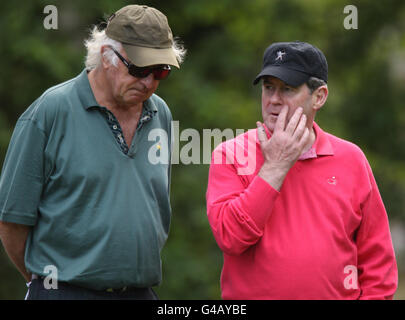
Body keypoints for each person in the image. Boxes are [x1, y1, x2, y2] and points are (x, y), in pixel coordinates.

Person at [0, 4, 185, 300]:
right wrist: (49, 285)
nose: (149, 82)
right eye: (139, 69)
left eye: (160, 71)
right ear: (106, 56)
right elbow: (12, 220)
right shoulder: (51, 111)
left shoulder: (160, 113)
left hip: (139, 292)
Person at [206, 41, 398, 299]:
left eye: (287, 89)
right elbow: (231, 237)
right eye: (268, 87)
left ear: (319, 96)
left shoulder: (351, 159)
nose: (274, 99)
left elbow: (377, 262)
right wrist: (275, 167)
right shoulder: (231, 154)